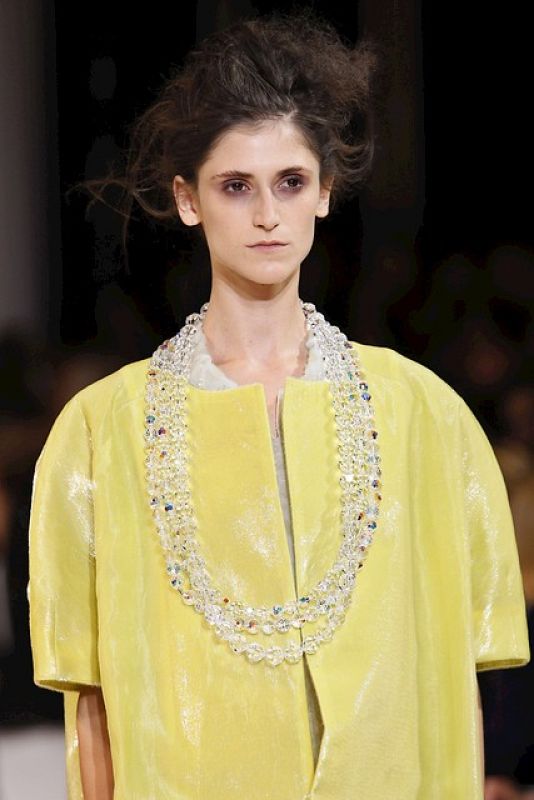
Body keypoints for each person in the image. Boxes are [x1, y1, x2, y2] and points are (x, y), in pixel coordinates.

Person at [27, 8, 530, 800]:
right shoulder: (101, 433)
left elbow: (456, 676)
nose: (267, 214)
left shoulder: (423, 416)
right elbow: (91, 702)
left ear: (324, 192)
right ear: (187, 199)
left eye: (290, 182)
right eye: (236, 186)